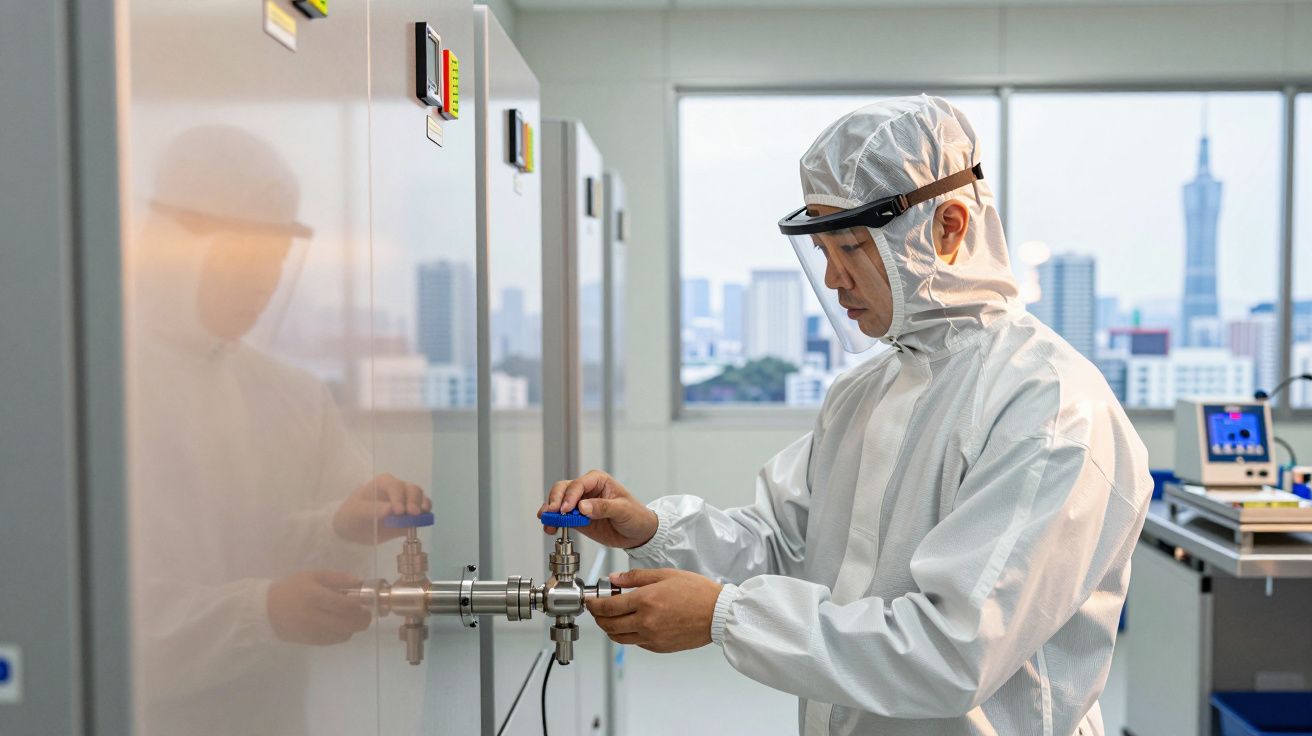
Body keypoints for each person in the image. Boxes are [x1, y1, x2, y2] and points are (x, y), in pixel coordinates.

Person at [541, 95, 1152, 735]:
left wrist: (725, 616)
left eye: (852, 247)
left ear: (947, 227)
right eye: (823, 251)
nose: (833, 280)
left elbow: (952, 652)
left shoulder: (1050, 408)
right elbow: (786, 546)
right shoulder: (866, 390)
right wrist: (649, 529)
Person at [128, 126, 430, 735]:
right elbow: (87, 614)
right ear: (176, 251)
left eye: (275, 261)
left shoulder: (290, 392)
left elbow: (261, 542)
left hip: (273, 712)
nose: (262, 282)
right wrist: (261, 613)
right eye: (243, 259)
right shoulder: (97, 392)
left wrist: (344, 523)